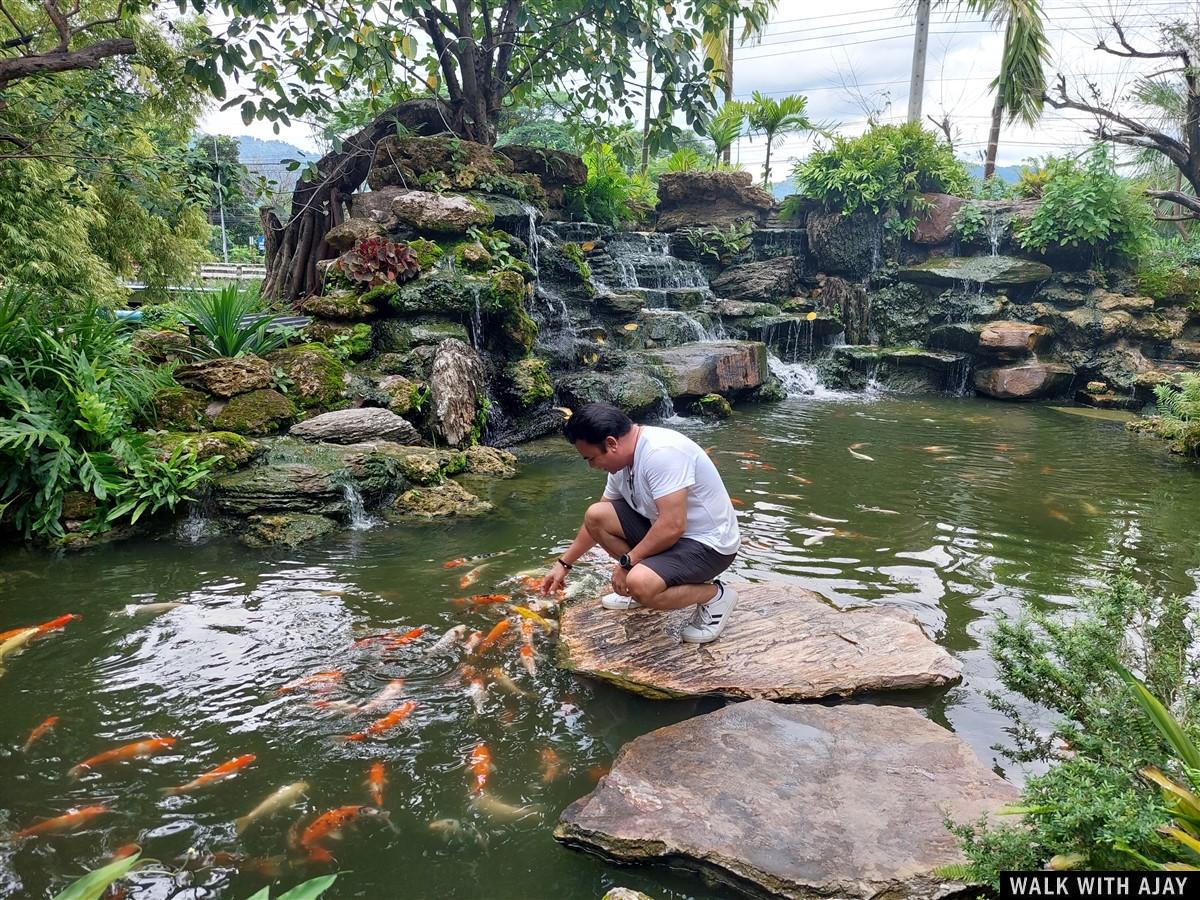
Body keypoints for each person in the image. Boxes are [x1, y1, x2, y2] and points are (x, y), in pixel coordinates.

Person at [540, 403, 740, 643]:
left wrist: (627, 565)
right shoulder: (621, 465)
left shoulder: (661, 453)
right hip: (670, 537)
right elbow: (597, 521)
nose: (591, 466)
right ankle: (640, 585)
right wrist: (564, 563)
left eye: (591, 458)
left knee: (640, 583)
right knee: (596, 515)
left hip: (709, 545)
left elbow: (673, 526)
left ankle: (714, 596)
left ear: (612, 443)